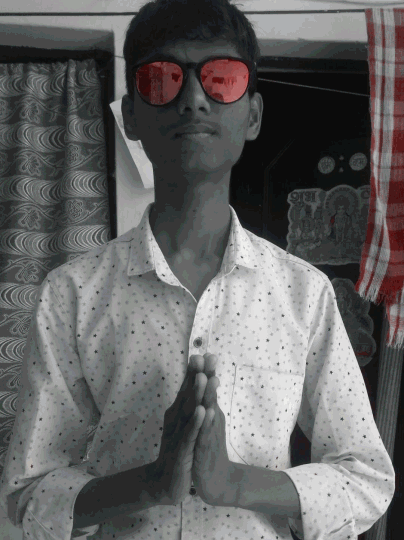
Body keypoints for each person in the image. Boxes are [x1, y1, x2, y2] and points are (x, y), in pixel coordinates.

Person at [0, 0, 395, 539]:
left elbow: (366, 477)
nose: (192, 98)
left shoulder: (304, 294)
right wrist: (150, 483)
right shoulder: (71, 294)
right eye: (162, 79)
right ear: (131, 114)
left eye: (221, 79)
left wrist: (234, 483)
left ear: (252, 115)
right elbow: (30, 491)